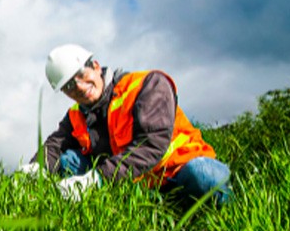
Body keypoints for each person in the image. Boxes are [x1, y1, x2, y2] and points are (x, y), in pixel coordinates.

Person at [30, 44, 231, 207]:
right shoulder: (77, 113)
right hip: (134, 184)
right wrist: (30, 173)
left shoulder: (148, 85)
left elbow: (152, 144)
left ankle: (197, 211)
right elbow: (55, 145)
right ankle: (132, 208)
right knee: (68, 161)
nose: (80, 87)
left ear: (96, 66)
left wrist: (96, 179)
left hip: (177, 172)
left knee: (204, 176)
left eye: (81, 74)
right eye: (69, 86)